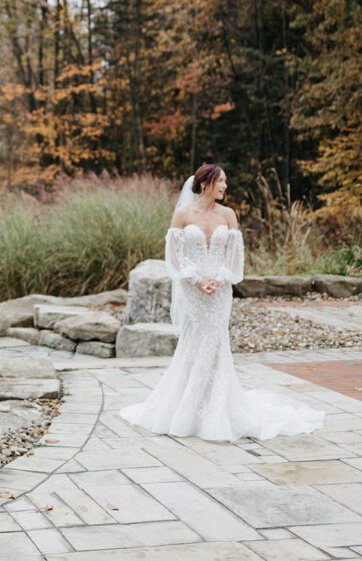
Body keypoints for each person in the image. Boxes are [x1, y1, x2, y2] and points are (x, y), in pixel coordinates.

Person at [119, 164, 324, 441]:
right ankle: (186, 405)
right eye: (221, 181)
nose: (225, 186)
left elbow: (235, 255)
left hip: (219, 289)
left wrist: (220, 278)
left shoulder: (228, 214)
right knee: (195, 339)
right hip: (193, 289)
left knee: (215, 340)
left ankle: (218, 405)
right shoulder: (182, 214)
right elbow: (175, 255)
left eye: (226, 181)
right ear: (205, 183)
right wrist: (196, 280)